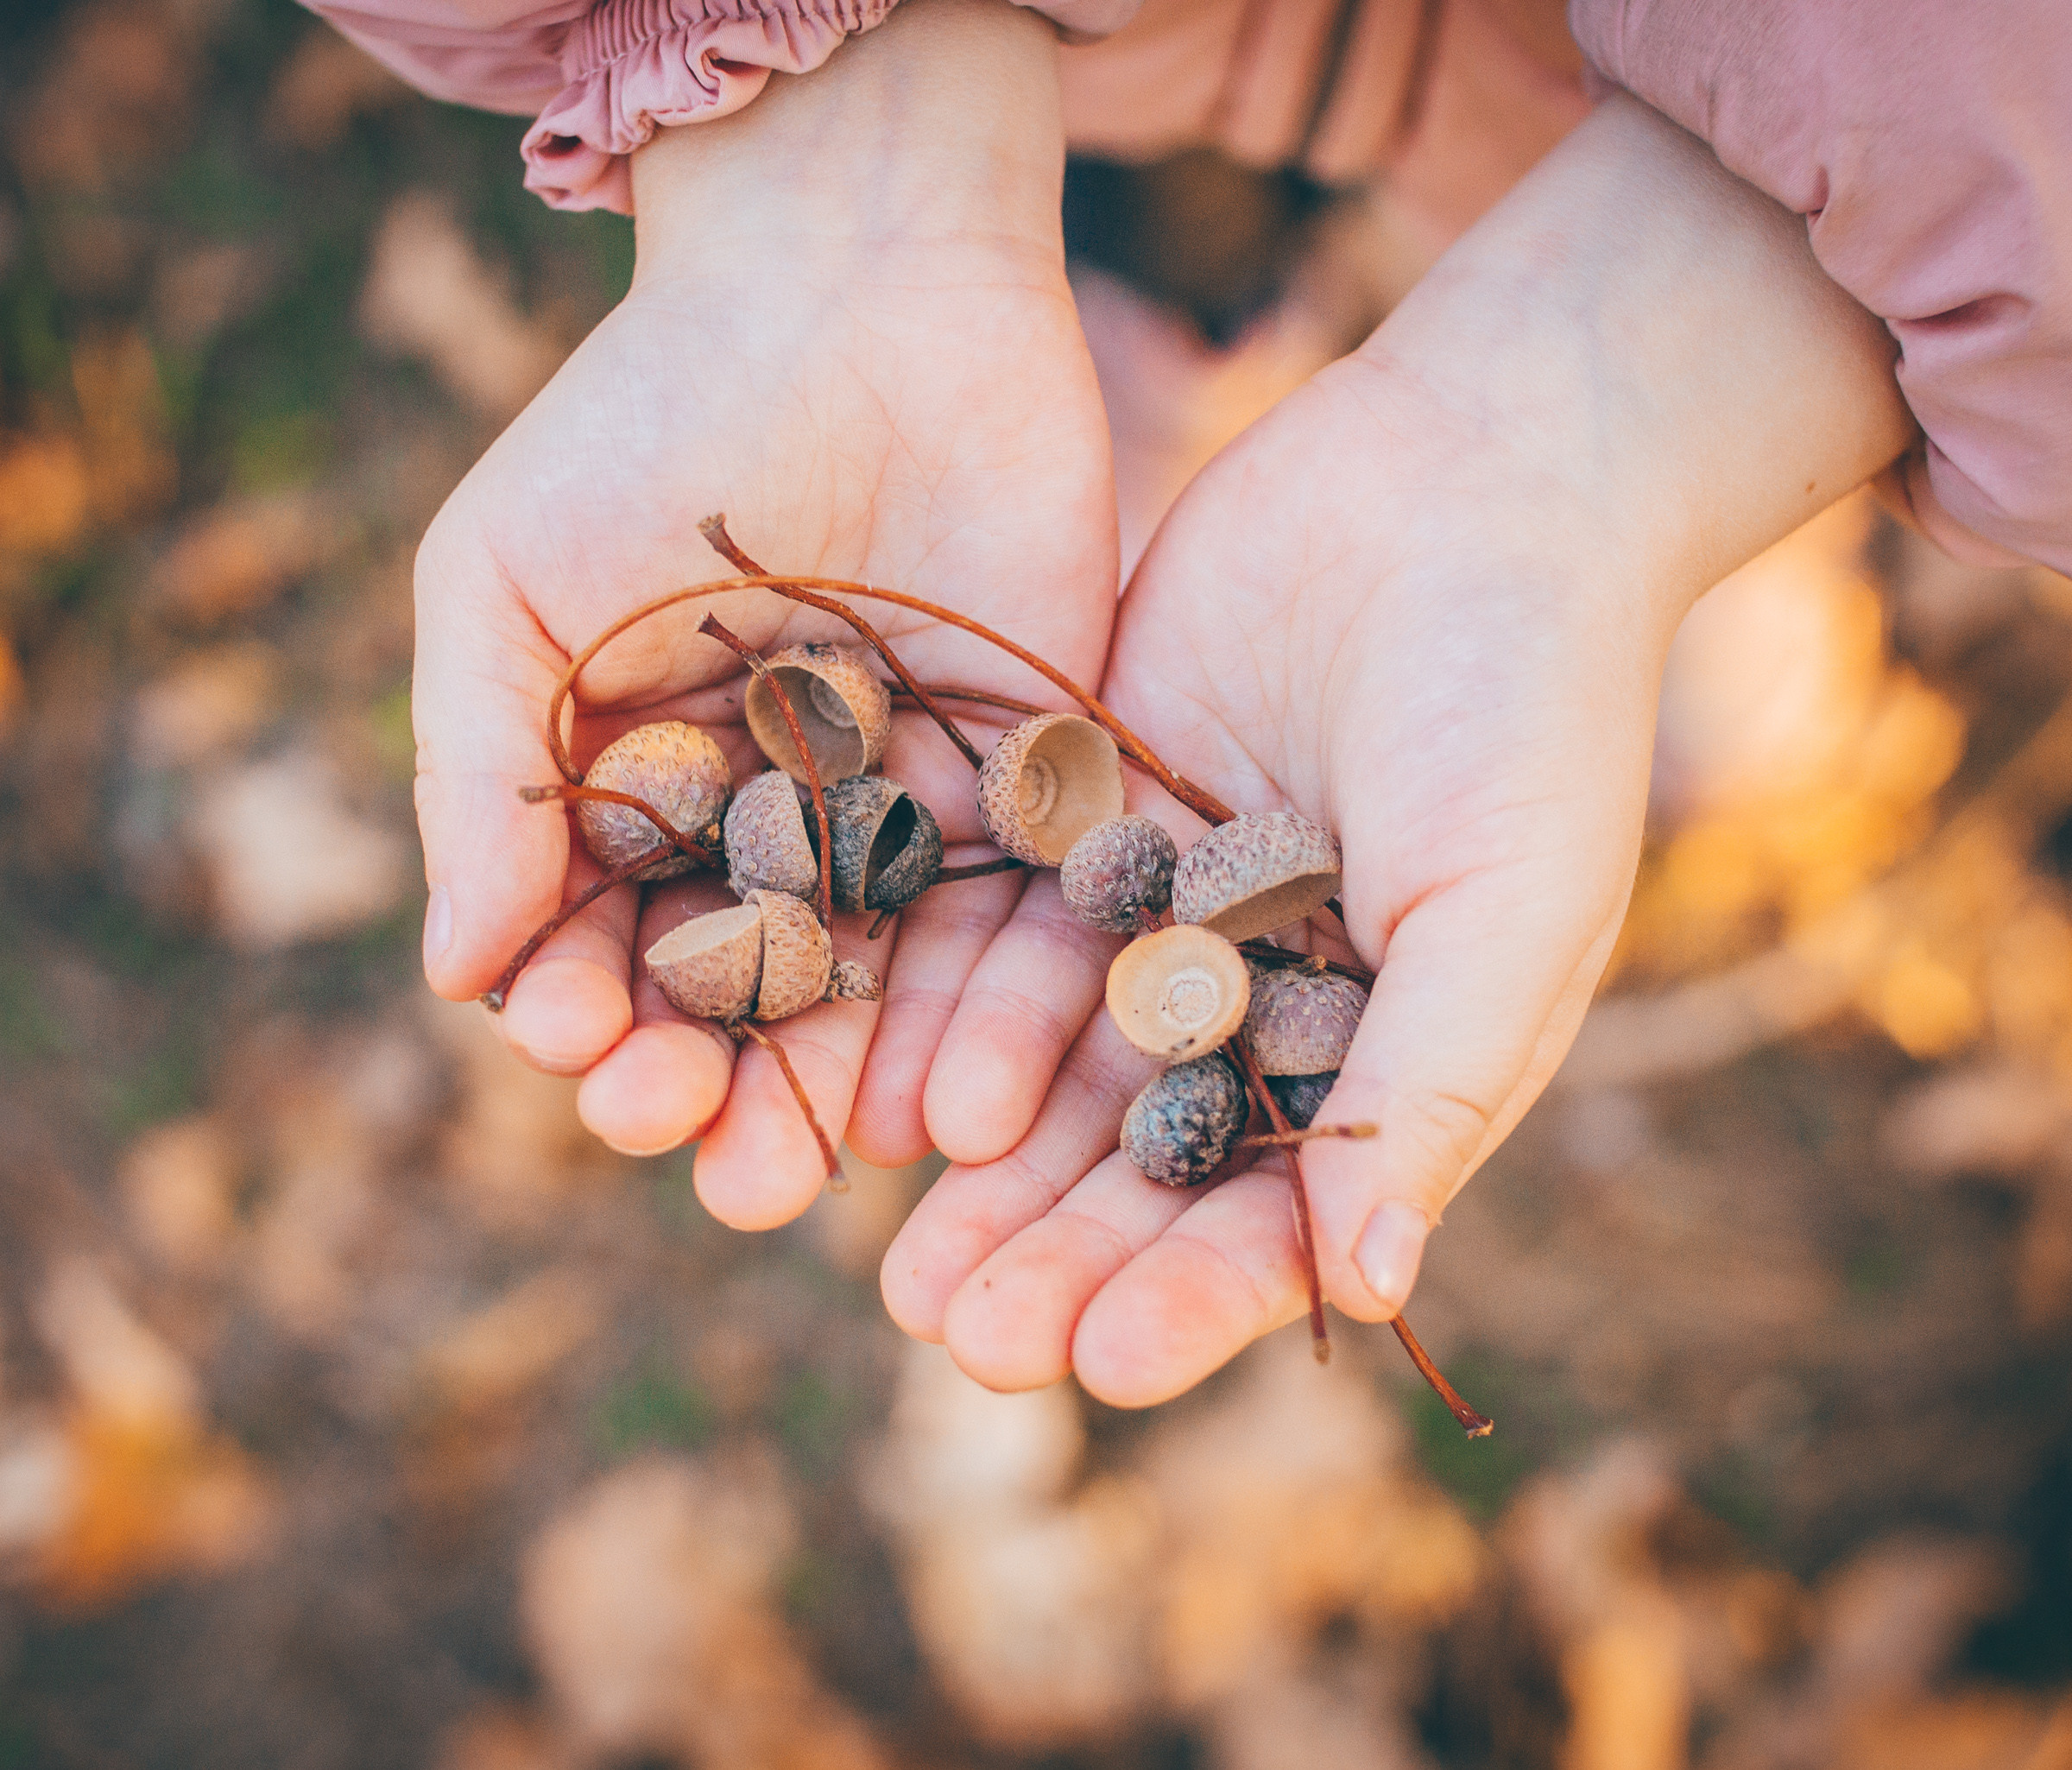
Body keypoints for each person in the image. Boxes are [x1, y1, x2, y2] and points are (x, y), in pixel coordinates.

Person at [309, 0, 2069, 1405]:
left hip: (1798, 114)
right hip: (1093, 58)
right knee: (1161, 205)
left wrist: (1629, 427)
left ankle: (1705, 437)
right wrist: (825, 148)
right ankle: (1169, 358)